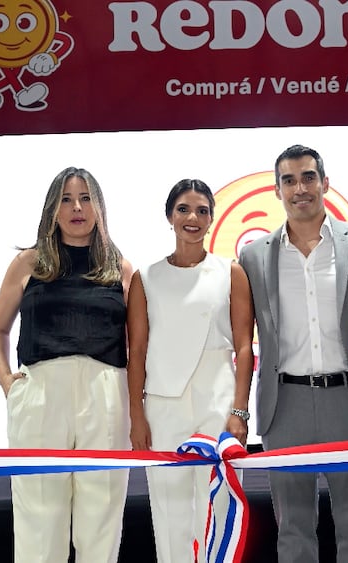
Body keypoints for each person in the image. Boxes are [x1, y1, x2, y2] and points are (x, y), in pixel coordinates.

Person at [238, 145, 348, 563]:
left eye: (308, 177)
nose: (300, 188)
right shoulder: (254, 255)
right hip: (286, 403)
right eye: (289, 180)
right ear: (277, 189)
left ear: (325, 183)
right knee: (294, 530)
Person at [0, 167, 133, 563]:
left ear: (99, 207)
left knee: (101, 515)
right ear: (52, 208)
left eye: (85, 198)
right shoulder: (29, 263)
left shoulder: (121, 268)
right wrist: (9, 385)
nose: (77, 208)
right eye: (66, 199)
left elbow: (140, 343)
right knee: (39, 517)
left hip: (106, 392)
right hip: (40, 394)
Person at [127, 179, 254, 563]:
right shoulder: (145, 277)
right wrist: (136, 414)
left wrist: (239, 411)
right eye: (183, 209)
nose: (192, 218)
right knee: (169, 512)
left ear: (212, 218)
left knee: (217, 509)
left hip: (217, 405)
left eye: (201, 210)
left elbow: (246, 347)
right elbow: (138, 350)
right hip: (164, 407)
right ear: (170, 216)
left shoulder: (230, 272)